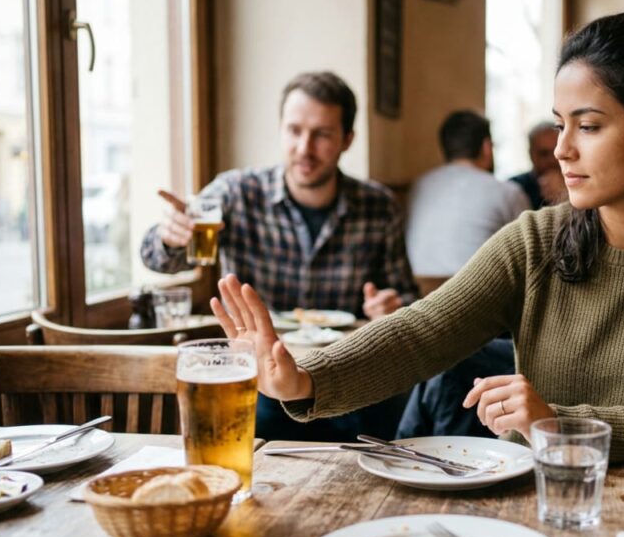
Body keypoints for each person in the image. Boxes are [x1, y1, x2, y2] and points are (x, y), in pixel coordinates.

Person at [210, 9, 624, 466]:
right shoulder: (535, 240)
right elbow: (421, 332)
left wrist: (556, 424)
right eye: (561, 123)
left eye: (589, 126)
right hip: (539, 495)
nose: (562, 149)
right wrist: (307, 379)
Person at [140, 71, 418, 442]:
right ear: (281, 130)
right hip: (257, 377)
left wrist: (389, 306)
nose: (304, 148)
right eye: (294, 130)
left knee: (390, 414)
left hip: (343, 377)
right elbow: (157, 259)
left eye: (321, 134)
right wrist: (171, 237)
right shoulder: (237, 192)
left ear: (347, 139)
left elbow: (408, 300)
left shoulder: (378, 206)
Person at [405, 110, 529, 277]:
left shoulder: (418, 186)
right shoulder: (508, 192)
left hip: (420, 291)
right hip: (479, 290)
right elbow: (530, 256)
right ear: (487, 147)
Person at [510, 122, 560, 209]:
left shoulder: (577, 185)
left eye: (556, 152)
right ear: (531, 154)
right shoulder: (514, 188)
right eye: (544, 153)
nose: (551, 160)